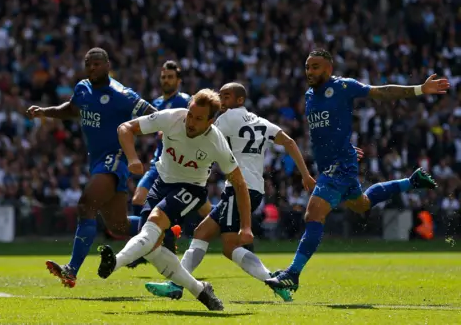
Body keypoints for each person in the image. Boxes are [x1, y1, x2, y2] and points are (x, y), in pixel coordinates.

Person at [265, 49, 448, 293]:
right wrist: (346, 145)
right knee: (361, 204)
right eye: (307, 66)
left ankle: (293, 274)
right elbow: (329, 130)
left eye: (315, 67)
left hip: (339, 167)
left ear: (329, 69)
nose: (309, 71)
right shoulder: (310, 95)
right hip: (336, 163)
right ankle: (410, 181)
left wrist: (419, 89)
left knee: (313, 214)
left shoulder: (343, 87)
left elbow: (381, 92)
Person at [96, 89, 254, 311]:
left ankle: (114, 264)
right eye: (190, 114)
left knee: (154, 223)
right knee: (150, 247)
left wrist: (246, 226)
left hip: (191, 189)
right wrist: (132, 158)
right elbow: (125, 128)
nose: (191, 121)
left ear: (211, 121)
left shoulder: (216, 142)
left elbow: (239, 184)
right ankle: (200, 290)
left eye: (199, 118)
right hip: (161, 183)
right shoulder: (172, 117)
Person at [25, 48, 156, 288]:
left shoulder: (122, 94)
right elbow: (71, 110)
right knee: (118, 226)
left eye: (97, 64)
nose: (92, 68)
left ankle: (71, 270)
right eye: (88, 64)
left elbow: (154, 115)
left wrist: (171, 131)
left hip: (114, 159)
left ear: (108, 65)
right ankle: (165, 228)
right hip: (95, 161)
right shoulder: (82, 88)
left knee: (86, 204)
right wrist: (45, 111)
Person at [125, 60, 191, 268]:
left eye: (170, 77)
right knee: (138, 198)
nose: (166, 80)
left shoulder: (187, 101)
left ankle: (236, 231)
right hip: (158, 162)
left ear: (179, 81)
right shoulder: (157, 103)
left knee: (201, 211)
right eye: (163, 77)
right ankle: (144, 246)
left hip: (181, 164)